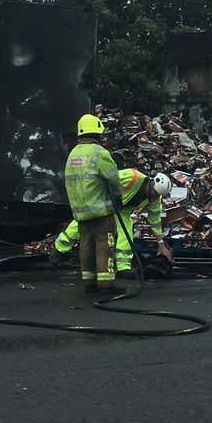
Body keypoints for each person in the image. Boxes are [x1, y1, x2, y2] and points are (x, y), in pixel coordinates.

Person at [55, 169, 173, 277]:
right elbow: (107, 181)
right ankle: (58, 249)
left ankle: (123, 268)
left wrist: (161, 243)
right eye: (154, 193)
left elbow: (155, 220)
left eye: (158, 195)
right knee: (84, 223)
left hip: (121, 211)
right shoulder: (132, 176)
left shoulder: (154, 199)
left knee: (126, 233)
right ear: (151, 184)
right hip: (102, 201)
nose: (155, 197)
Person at [63, 113, 125, 294]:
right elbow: (113, 178)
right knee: (104, 245)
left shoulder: (73, 153)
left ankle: (89, 282)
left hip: (80, 212)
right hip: (100, 211)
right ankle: (106, 284)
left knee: (86, 246)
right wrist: (118, 197)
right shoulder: (99, 153)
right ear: (97, 132)